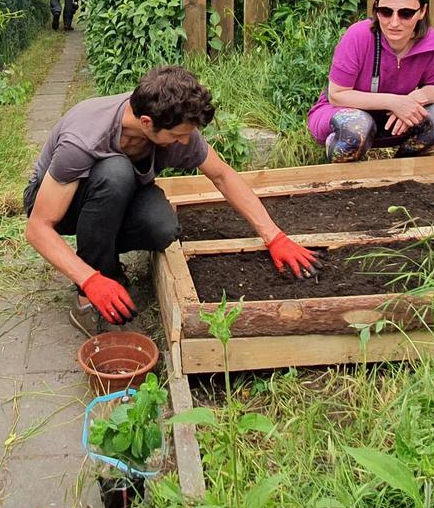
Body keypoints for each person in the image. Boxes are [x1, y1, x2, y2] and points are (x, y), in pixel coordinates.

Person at [25, 66, 320, 328]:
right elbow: (38, 228)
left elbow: (222, 175)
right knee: (115, 172)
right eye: (177, 135)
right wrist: (90, 280)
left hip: (113, 196)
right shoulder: (84, 139)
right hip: (59, 204)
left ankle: (104, 258)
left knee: (162, 227)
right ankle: (88, 298)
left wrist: (274, 237)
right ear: (146, 122)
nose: (184, 141)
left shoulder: (174, 125)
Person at [306, 0, 434, 162]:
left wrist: (412, 101)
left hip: (394, 121)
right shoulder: (358, 35)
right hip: (344, 114)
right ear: (376, 10)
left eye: (406, 13)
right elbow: (337, 95)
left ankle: (402, 173)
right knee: (356, 126)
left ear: (422, 12)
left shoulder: (431, 44)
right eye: (386, 12)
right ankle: (345, 174)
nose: (394, 22)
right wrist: (394, 102)